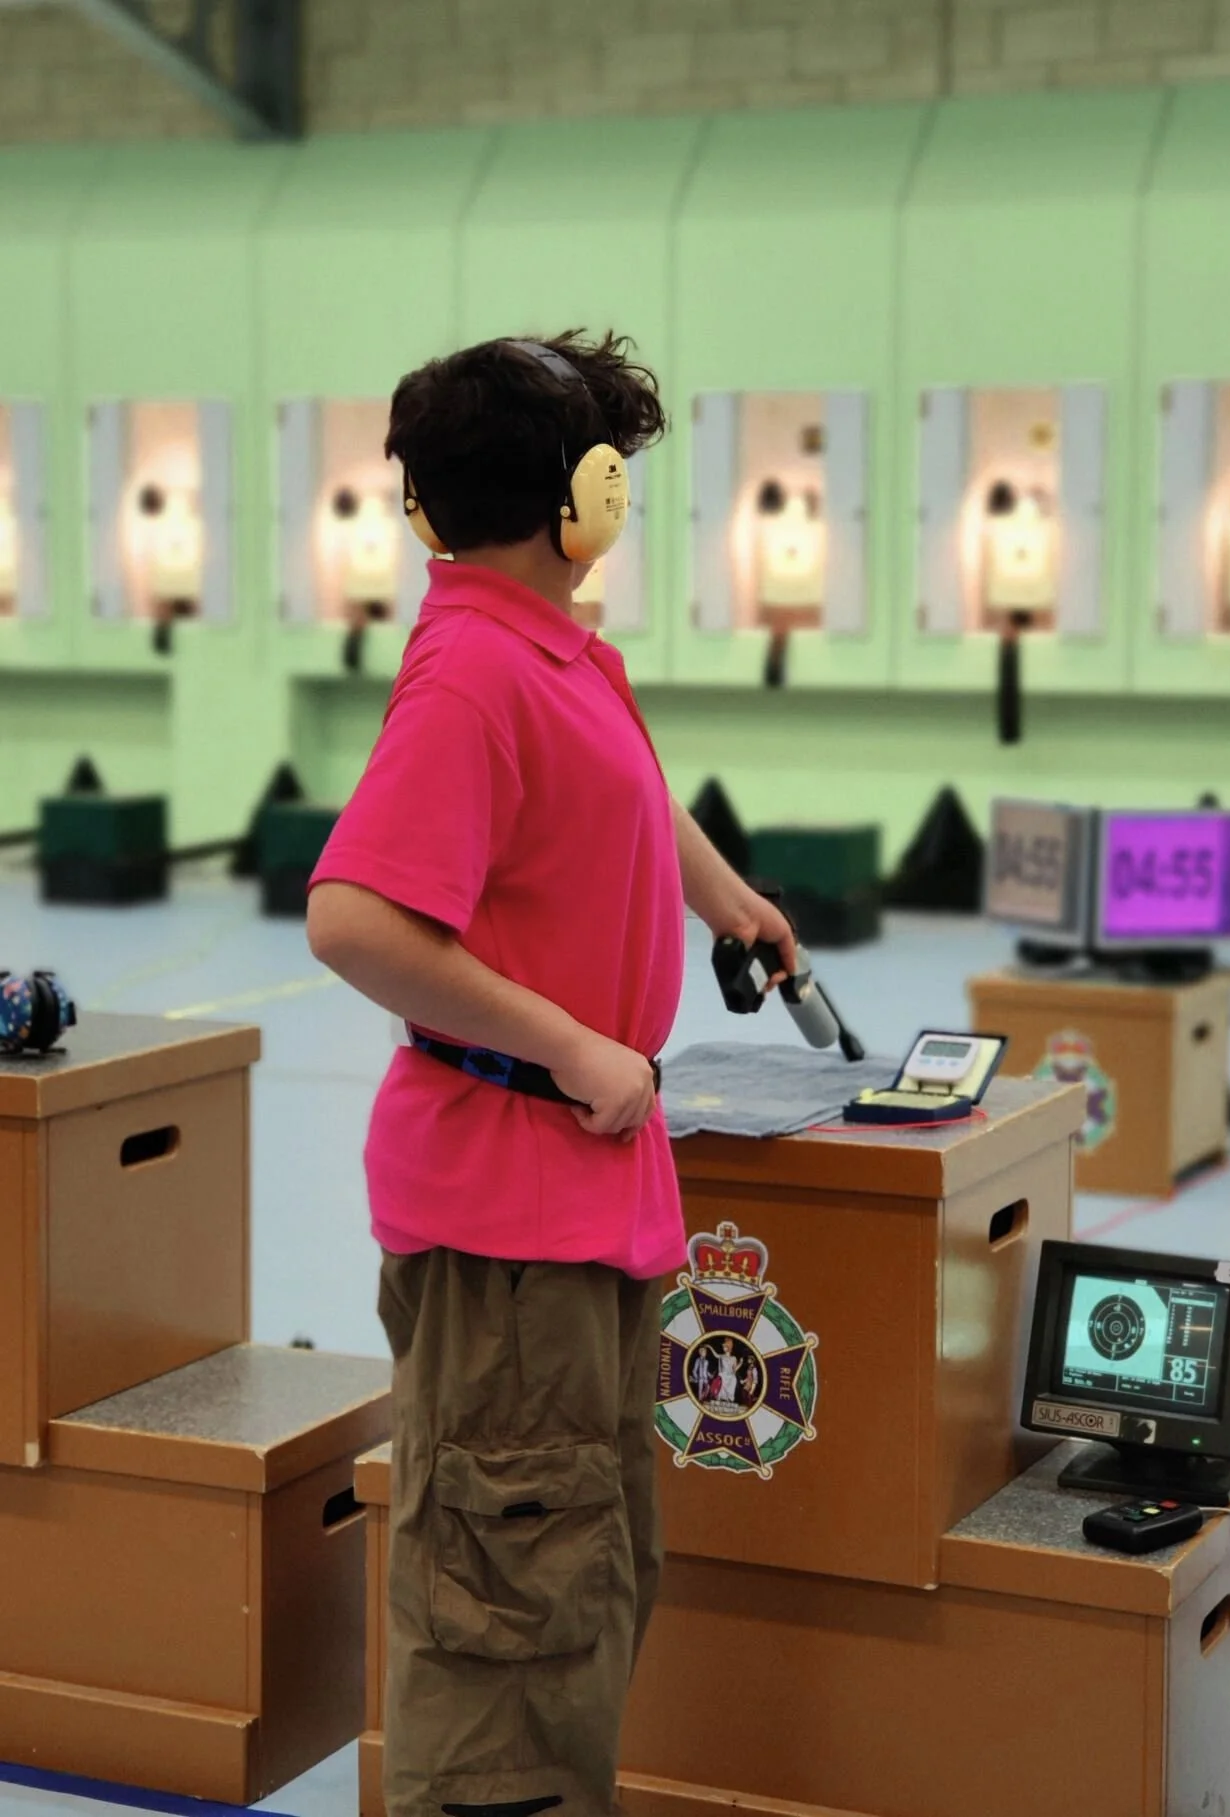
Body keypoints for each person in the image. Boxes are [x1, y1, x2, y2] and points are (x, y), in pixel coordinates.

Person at [306, 330, 795, 1817]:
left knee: (577, 1587)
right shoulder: (471, 676)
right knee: (510, 1627)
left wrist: (722, 897)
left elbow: (624, 788)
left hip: (575, 1210)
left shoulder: (554, 651)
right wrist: (578, 1043)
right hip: (510, 1221)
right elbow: (354, 920)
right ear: (583, 493)